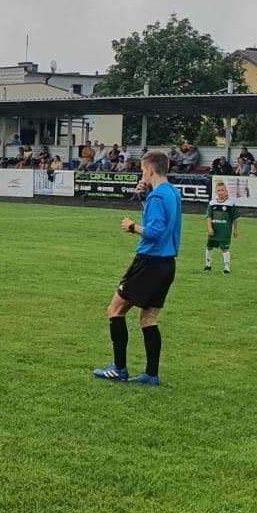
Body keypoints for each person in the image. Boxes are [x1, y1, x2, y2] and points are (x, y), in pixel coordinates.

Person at [94, 149, 181, 387]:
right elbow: (164, 223)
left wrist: (132, 226)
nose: (143, 174)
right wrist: (144, 197)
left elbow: (154, 232)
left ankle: (119, 368)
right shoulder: (172, 192)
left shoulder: (157, 197)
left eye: (143, 170)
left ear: (150, 169)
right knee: (149, 318)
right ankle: (151, 375)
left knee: (115, 310)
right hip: (167, 264)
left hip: (149, 263)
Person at [204, 179, 239, 273]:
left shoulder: (230, 204)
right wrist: (210, 228)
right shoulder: (212, 203)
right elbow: (209, 217)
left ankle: (227, 267)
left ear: (226, 191)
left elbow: (235, 218)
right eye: (218, 190)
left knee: (225, 248)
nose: (220, 192)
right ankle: (208, 265)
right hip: (214, 230)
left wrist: (235, 230)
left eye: (222, 190)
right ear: (215, 192)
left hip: (225, 231)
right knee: (209, 247)